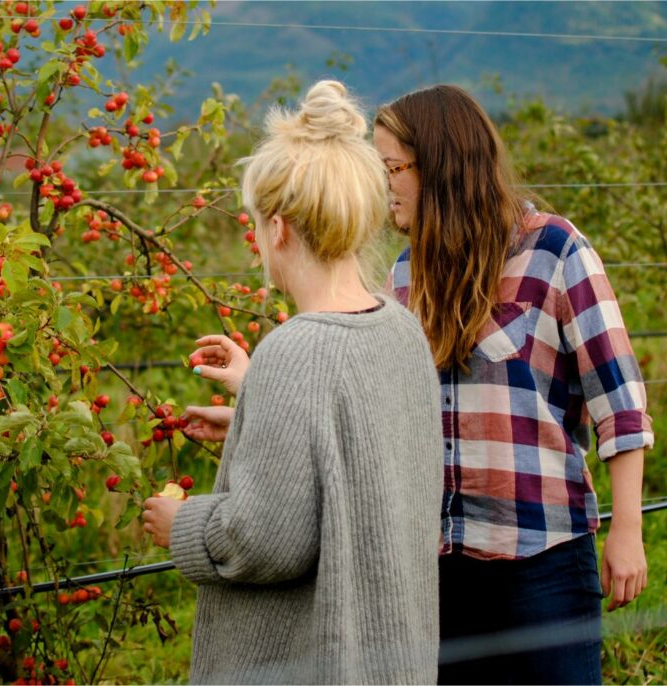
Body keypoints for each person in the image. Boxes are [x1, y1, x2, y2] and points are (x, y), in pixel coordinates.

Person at [141, 80, 444, 685]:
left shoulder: (293, 349)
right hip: (396, 655)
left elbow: (268, 538)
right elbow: (354, 455)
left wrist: (185, 528)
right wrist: (254, 414)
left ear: (277, 228)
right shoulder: (401, 329)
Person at [372, 84, 652, 685]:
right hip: (440, 572)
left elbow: (620, 404)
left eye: (393, 167)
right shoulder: (404, 274)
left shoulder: (553, 250)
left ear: (441, 165)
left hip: (543, 566)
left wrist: (627, 530)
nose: (383, 183)